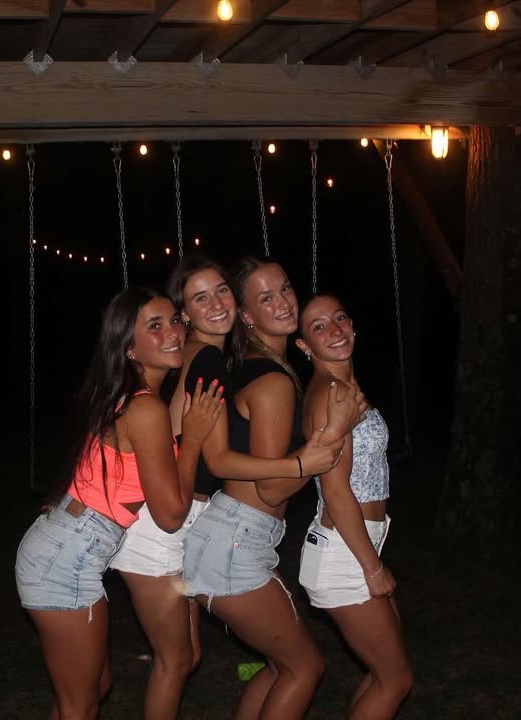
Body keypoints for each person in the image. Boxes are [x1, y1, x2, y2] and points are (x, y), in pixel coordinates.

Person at [108, 255, 345, 720]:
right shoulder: (208, 357)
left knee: (186, 658)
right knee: (176, 662)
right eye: (201, 298)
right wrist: (304, 460)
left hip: (188, 518)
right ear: (184, 314)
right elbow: (216, 458)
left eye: (221, 291)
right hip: (167, 524)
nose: (217, 304)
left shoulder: (200, 356)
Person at [15, 287, 224, 720]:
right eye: (155, 326)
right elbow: (170, 515)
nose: (173, 333)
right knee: (80, 703)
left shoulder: (120, 396)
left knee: (92, 690)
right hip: (65, 560)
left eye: (175, 321)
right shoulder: (145, 410)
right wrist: (193, 440)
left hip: (61, 548)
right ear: (128, 347)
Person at [183, 257, 366, 720]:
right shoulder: (273, 382)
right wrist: (330, 438)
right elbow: (270, 489)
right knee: (305, 668)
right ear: (246, 316)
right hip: (236, 542)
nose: (284, 302)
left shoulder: (253, 366)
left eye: (284, 288)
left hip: (231, 537)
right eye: (266, 298)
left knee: (279, 665)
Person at [283, 293, 414, 718]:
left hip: (354, 546)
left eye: (340, 318)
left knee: (384, 676)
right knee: (395, 681)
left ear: (353, 325)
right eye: (318, 326)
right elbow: (336, 491)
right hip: (346, 556)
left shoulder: (342, 389)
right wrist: (372, 568)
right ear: (304, 345)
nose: (335, 330)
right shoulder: (331, 395)